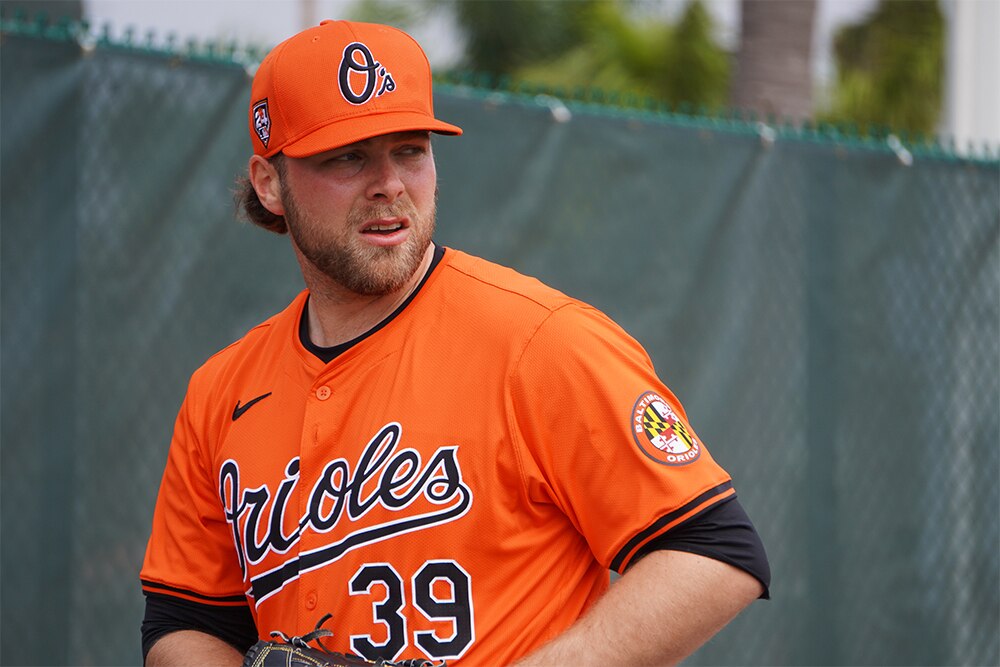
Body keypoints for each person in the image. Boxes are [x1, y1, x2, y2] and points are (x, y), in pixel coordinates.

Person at [140, 19, 770, 667]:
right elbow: (181, 619)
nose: (389, 182)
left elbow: (715, 550)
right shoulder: (221, 391)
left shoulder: (542, 341)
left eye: (410, 149)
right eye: (348, 156)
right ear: (270, 182)